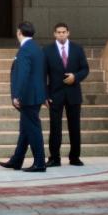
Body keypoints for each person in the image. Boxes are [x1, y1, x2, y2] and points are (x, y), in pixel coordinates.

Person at [0, 21, 47, 172]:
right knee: (25, 129)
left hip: (28, 96)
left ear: (19, 32)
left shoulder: (25, 50)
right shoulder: (36, 48)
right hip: (35, 95)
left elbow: (23, 74)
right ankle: (16, 160)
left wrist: (17, 95)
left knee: (33, 129)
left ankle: (39, 163)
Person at [43, 22, 90, 167]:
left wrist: (75, 77)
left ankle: (75, 157)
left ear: (68, 33)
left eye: (64, 32)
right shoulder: (47, 50)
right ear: (54, 34)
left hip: (73, 94)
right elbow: (43, 74)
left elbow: (85, 69)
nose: (61, 34)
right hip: (55, 94)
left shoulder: (77, 49)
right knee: (55, 128)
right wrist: (45, 95)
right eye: (58, 32)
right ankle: (54, 158)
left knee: (74, 127)